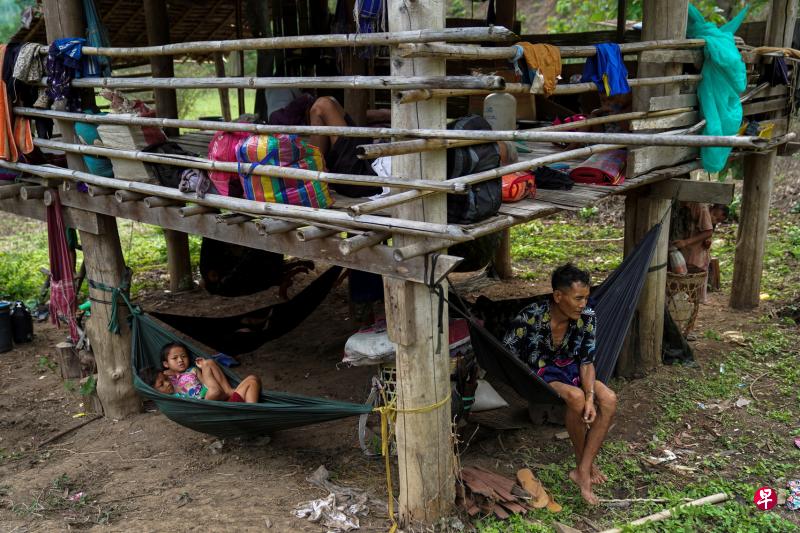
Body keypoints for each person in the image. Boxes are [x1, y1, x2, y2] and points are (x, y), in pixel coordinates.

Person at [503, 264, 617, 505]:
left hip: (571, 370)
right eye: (578, 298)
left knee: (608, 398)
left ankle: (582, 470)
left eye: (586, 297)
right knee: (575, 397)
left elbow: (586, 362)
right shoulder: (530, 317)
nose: (583, 304)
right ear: (558, 296)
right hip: (537, 375)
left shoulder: (588, 317)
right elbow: (505, 355)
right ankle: (584, 469)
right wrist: (582, 397)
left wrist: (590, 397)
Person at [154, 342, 262, 403]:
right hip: (204, 404)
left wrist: (204, 368)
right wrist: (169, 372)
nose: (180, 360)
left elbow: (205, 382)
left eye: (183, 356)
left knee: (253, 379)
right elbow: (157, 381)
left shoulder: (193, 370)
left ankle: (246, 408)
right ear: (166, 364)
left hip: (213, 394)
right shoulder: (166, 377)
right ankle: (250, 412)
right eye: (175, 358)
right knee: (208, 369)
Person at [670, 202, 729, 302]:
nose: (714, 219)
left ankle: (688, 309)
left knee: (690, 288)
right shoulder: (702, 208)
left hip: (697, 259)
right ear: (712, 207)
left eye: (718, 220)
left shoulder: (703, 210)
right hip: (692, 256)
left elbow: (708, 232)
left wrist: (686, 242)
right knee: (687, 287)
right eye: (714, 215)